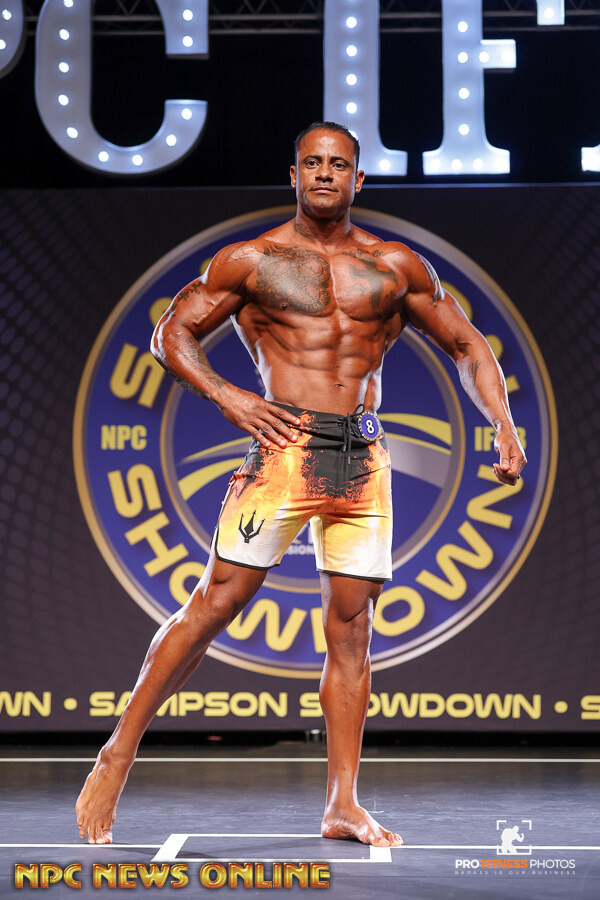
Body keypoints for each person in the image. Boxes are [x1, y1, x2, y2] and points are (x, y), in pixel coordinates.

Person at [76, 121, 526, 847]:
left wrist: (503, 424)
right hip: (284, 448)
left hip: (361, 455)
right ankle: (117, 752)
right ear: (293, 175)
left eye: (337, 164)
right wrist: (229, 397)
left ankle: (342, 804)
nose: (324, 173)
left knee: (352, 630)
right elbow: (170, 333)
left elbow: (467, 344)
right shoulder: (252, 261)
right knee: (216, 602)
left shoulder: (395, 266)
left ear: (357, 179)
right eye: (312, 163)